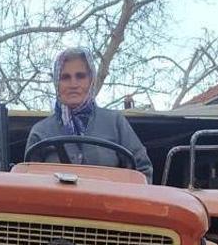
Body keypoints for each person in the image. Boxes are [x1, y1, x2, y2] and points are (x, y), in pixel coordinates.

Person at [25, 47, 153, 182]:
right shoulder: (40, 132)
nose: (73, 84)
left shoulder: (115, 122)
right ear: (57, 82)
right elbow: (30, 183)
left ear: (91, 80)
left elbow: (142, 171)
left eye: (80, 76)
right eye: (65, 77)